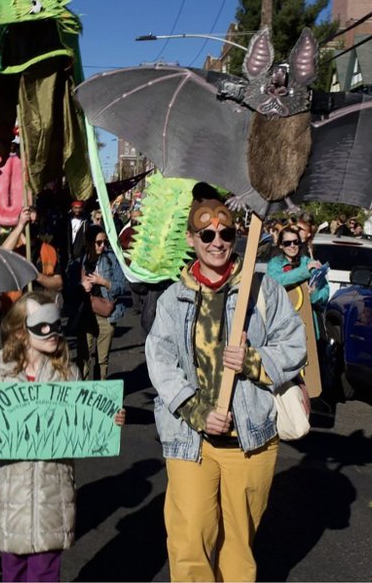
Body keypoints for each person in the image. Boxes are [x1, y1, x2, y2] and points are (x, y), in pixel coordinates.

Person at [145, 183, 306, 582]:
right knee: (190, 540)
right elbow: (160, 362)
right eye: (207, 234)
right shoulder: (173, 299)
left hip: (250, 440)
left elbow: (295, 344)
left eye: (226, 232)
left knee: (238, 544)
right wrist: (197, 410)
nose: (217, 242)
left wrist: (253, 360)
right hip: (190, 438)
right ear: (191, 239)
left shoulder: (262, 290)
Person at [0, 291, 124, 582]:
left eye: (55, 324)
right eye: (42, 325)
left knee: (45, 572)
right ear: (20, 332)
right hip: (11, 492)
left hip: (53, 492)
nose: (52, 331)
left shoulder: (68, 374)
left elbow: (84, 425)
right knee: (13, 570)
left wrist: (108, 420)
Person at [76, 226, 128, 381]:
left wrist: (104, 282)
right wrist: (82, 286)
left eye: (105, 242)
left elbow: (121, 286)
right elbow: (69, 286)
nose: (102, 246)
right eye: (99, 242)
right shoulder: (81, 260)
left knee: (102, 359)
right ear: (89, 242)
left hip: (106, 315)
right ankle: (84, 390)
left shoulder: (111, 258)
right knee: (83, 356)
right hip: (86, 312)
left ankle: (100, 390)